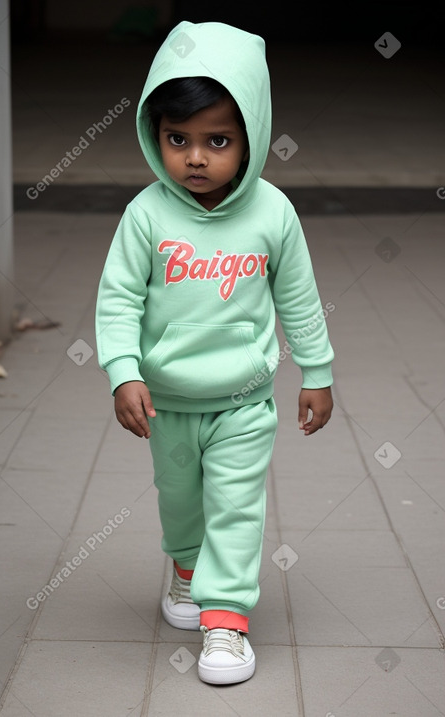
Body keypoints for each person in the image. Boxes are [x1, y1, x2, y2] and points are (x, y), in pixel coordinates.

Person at [95, 20, 334, 685]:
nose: (195, 158)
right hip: (166, 403)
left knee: (234, 504)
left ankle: (224, 620)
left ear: (252, 135)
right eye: (178, 139)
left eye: (218, 140)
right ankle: (185, 568)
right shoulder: (146, 215)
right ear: (156, 134)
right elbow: (117, 300)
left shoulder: (272, 214)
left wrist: (317, 371)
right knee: (181, 504)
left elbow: (300, 299)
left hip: (243, 402)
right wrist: (123, 371)